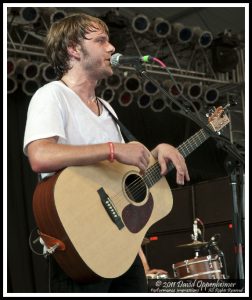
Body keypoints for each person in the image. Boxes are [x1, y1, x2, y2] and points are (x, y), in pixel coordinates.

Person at [23, 13, 190, 293]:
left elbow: (117, 176)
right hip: (79, 246)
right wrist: (113, 150)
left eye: (109, 41)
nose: (111, 48)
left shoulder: (108, 110)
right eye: (100, 40)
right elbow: (40, 156)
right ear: (73, 49)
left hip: (119, 248)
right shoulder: (52, 95)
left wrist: (157, 151)